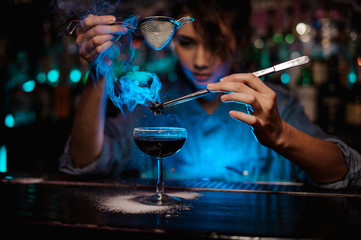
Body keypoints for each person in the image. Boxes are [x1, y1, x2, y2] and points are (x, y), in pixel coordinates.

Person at [59, 0, 361, 188]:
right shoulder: (154, 101)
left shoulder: (271, 102)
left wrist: (281, 135)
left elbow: (344, 171)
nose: (201, 60)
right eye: (189, 43)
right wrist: (99, 70)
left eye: (215, 44)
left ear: (239, 42)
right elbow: (86, 163)